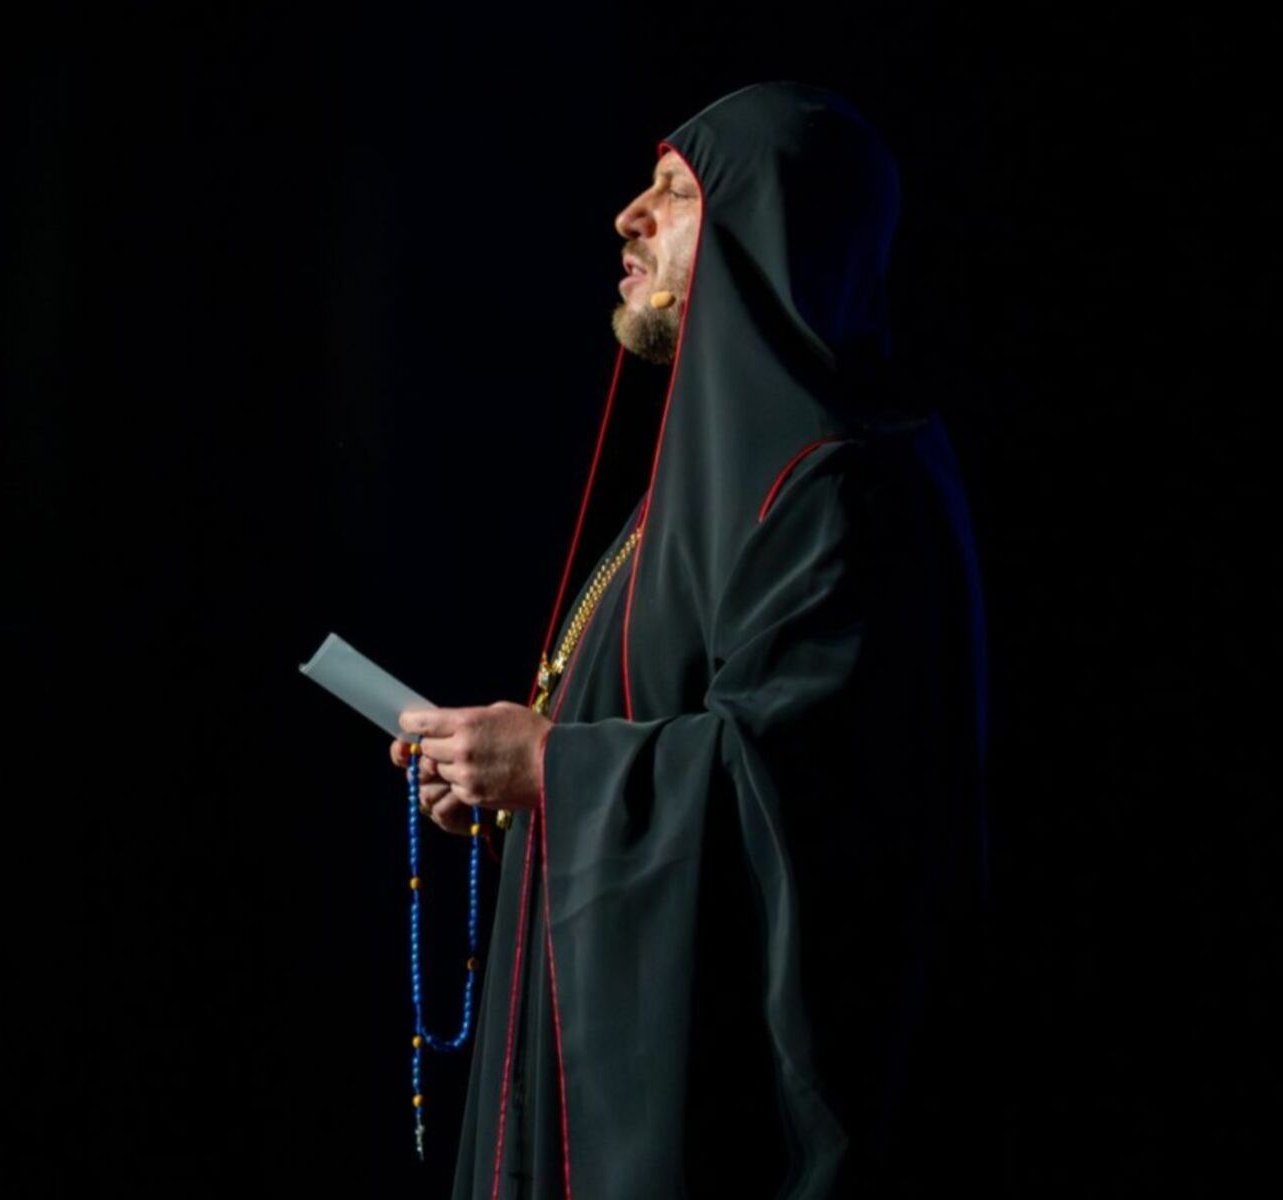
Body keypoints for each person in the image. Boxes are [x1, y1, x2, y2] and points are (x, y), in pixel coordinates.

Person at [388, 80, 995, 1198]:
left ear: (766, 230)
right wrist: (510, 781)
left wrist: (554, 769)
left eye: (674, 192)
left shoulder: (845, 489)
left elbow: (816, 801)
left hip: (719, 1126)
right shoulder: (681, 503)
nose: (627, 214)